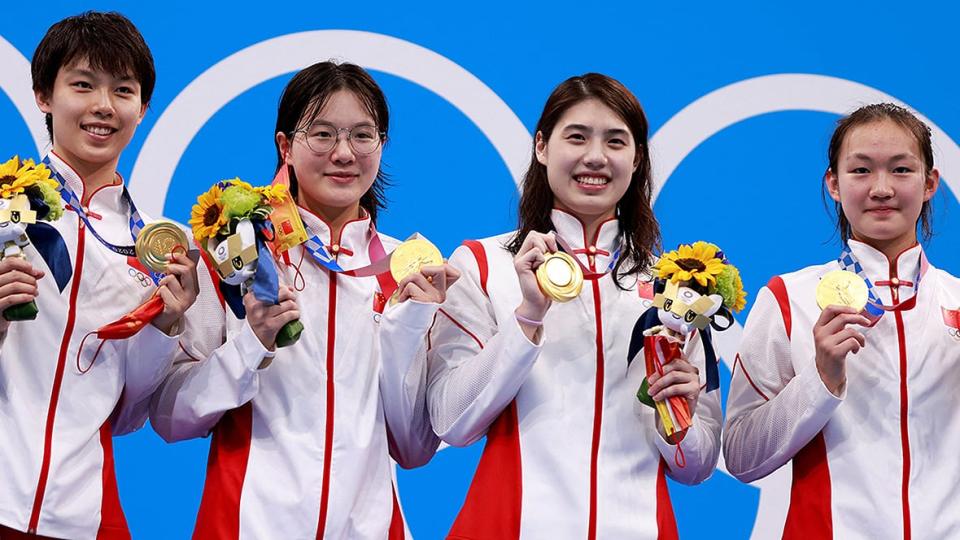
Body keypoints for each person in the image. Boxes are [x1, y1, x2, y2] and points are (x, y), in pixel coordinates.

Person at [150, 61, 454, 539]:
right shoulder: (236, 252)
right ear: (285, 145)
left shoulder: (404, 271)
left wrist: (411, 324)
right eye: (323, 135)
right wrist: (252, 342)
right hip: (246, 524)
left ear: (382, 146)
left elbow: (414, 448)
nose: (343, 153)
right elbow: (171, 417)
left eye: (362, 136)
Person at [426, 73, 722, 538]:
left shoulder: (676, 288)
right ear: (542, 146)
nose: (596, 157)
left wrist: (679, 416)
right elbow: (449, 421)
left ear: (637, 157)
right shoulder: (483, 265)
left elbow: (698, 466)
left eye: (616, 141)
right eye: (577, 137)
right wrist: (527, 317)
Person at [0, 11, 199, 539]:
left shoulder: (156, 246)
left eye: (123, 90)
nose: (103, 107)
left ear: (143, 108)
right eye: (83, 85)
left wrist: (166, 327)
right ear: (44, 95)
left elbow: (130, 411)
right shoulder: (3, 210)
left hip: (86, 515)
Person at [723, 103, 956, 538]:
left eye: (902, 170)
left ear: (930, 184)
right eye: (861, 170)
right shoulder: (788, 298)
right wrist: (821, 380)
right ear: (834, 183)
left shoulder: (955, 300)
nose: (882, 188)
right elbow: (741, 455)